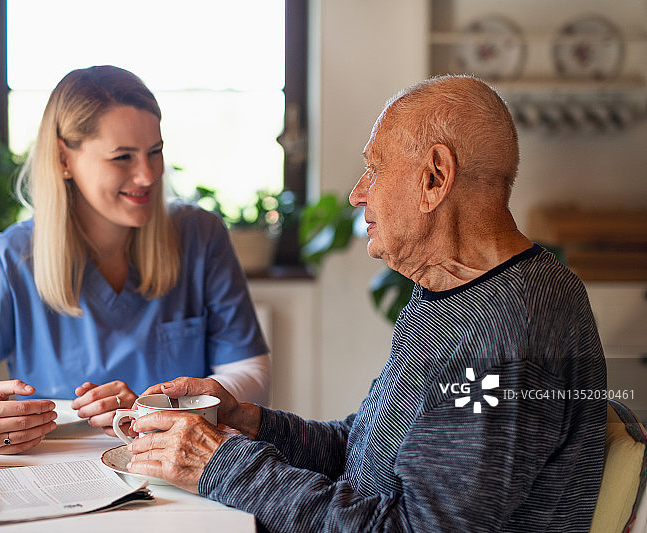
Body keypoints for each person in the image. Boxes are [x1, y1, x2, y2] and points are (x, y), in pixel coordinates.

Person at [126, 75, 607, 532]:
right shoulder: (450, 293)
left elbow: (411, 528)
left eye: (375, 170)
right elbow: (366, 455)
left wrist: (222, 463)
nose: (358, 193)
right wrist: (247, 423)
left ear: (435, 178)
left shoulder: (506, 343)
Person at [0, 65, 270, 454]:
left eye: (155, 152)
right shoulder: (11, 259)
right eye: (122, 157)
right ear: (64, 158)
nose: (148, 175)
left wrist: (162, 407)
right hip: (60, 482)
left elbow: (252, 373)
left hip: (187, 473)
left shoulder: (199, 236)